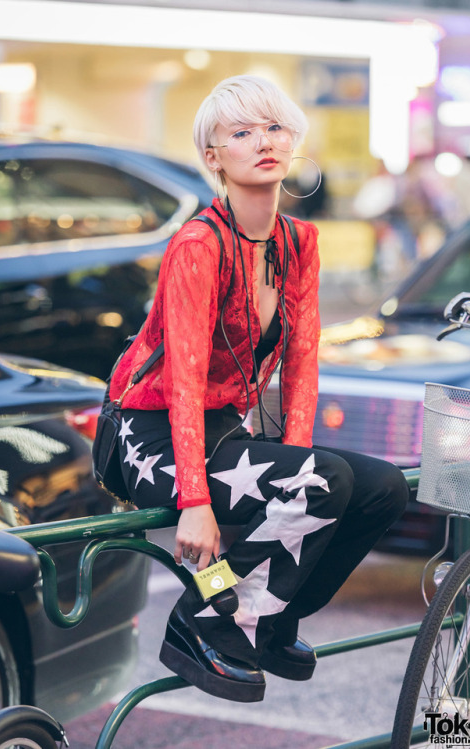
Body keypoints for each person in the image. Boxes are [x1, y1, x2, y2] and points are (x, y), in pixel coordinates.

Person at [108, 75, 409, 703]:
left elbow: (302, 365)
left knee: (377, 488)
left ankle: (271, 616)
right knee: (322, 480)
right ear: (213, 157)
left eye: (274, 127)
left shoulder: (299, 242)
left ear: (292, 140)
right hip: (149, 429)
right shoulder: (198, 244)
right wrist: (194, 502)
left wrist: (298, 460)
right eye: (241, 132)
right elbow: (183, 380)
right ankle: (203, 622)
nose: (263, 141)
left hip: (220, 428)